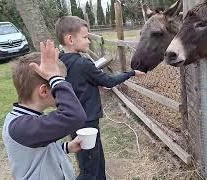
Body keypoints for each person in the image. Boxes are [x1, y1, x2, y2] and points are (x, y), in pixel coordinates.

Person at [55, 16, 145, 180]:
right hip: (87, 120)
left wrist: (93, 84)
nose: (89, 41)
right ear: (70, 39)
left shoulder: (60, 62)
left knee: (87, 158)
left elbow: (76, 83)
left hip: (71, 118)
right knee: (91, 164)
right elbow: (109, 81)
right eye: (85, 37)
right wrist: (131, 73)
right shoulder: (84, 64)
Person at [2, 40, 87, 180]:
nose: (63, 86)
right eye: (58, 83)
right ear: (44, 91)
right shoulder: (20, 126)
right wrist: (56, 77)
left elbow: (39, 151)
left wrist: (67, 147)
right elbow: (75, 116)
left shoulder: (30, 120)